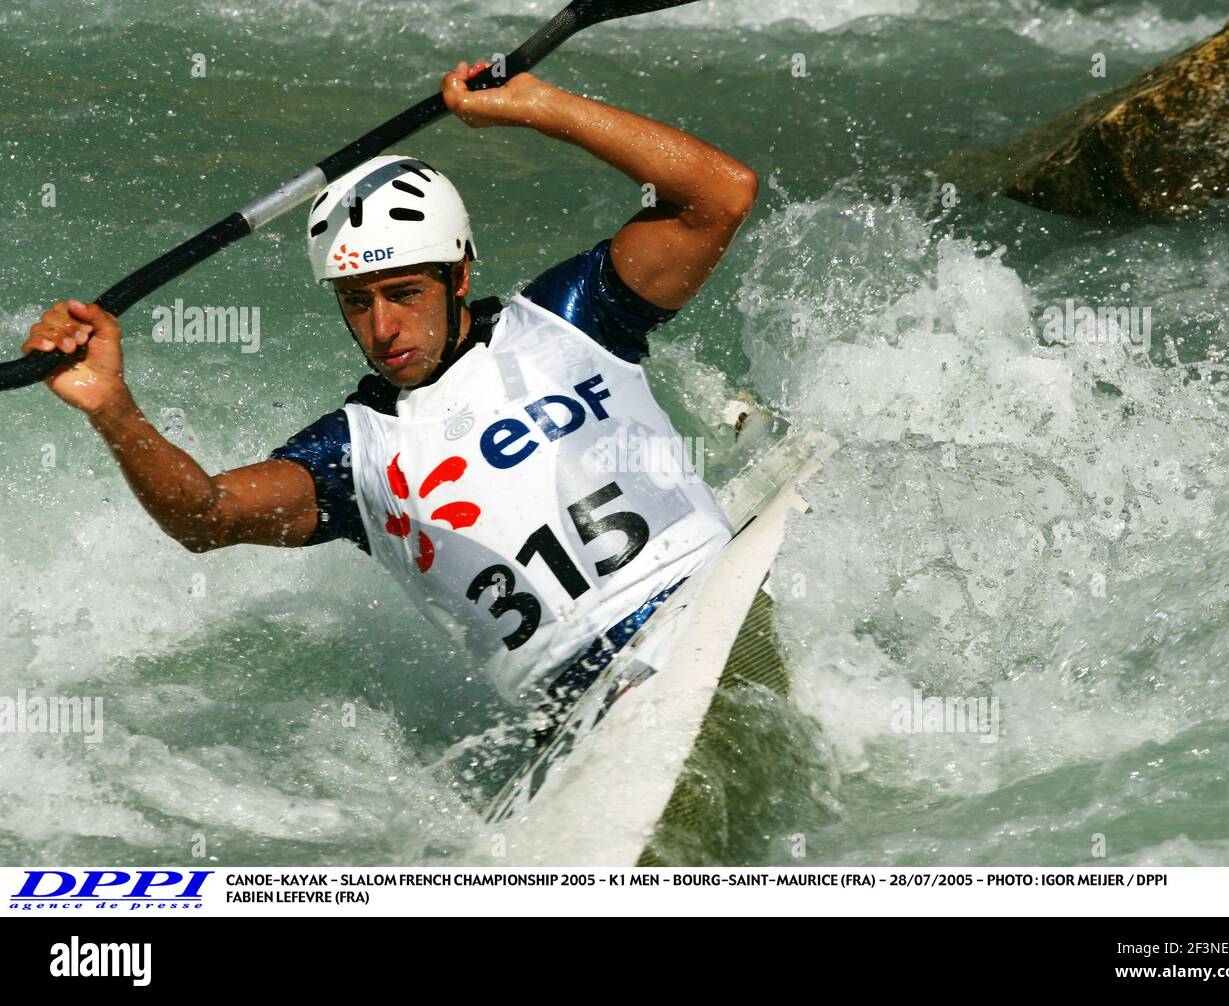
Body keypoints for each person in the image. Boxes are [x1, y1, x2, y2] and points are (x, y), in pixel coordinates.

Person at [21, 59, 758, 723]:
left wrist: (539, 107)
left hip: (704, 598)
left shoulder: (573, 319)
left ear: (458, 276)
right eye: (357, 302)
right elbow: (204, 518)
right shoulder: (354, 456)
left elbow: (720, 195)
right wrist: (112, 409)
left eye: (404, 292)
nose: (382, 326)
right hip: (583, 714)